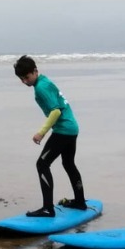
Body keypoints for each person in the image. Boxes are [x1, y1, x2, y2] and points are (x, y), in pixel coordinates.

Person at [13, 55, 88, 217]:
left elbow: (55, 111)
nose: (25, 81)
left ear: (35, 71)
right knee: (68, 163)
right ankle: (80, 202)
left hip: (63, 130)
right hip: (71, 127)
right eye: (21, 79)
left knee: (42, 164)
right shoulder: (44, 81)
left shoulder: (41, 87)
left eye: (26, 77)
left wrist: (41, 132)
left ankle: (48, 208)